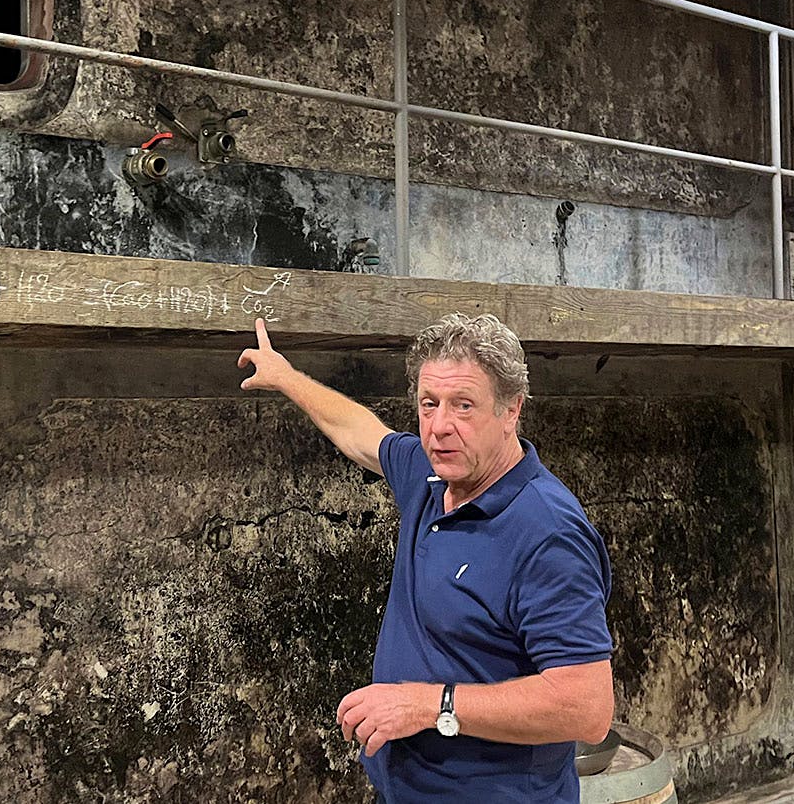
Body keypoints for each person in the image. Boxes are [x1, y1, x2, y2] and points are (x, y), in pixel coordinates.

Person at [237, 312, 614, 803]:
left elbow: (586, 708)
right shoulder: (432, 474)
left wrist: (430, 705)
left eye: (463, 406)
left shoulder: (547, 532)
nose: (439, 428)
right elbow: (359, 432)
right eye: (428, 404)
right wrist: (287, 377)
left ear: (511, 410)